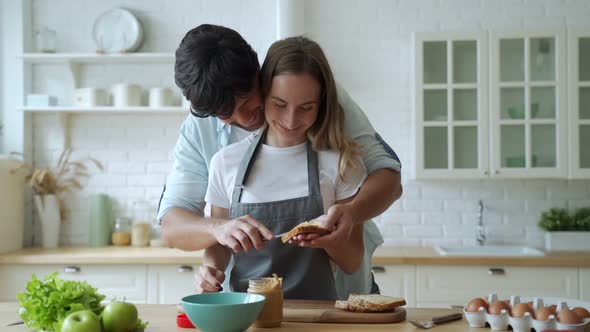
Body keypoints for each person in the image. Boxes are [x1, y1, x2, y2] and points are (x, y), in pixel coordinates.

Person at [158, 24, 402, 299]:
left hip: (343, 299)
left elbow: (389, 178)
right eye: (226, 113)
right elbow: (172, 227)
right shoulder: (214, 149)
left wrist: (352, 214)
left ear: (259, 75)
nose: (245, 118)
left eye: (249, 100)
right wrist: (220, 230)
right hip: (248, 307)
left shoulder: (316, 99)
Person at [202, 36, 367, 300]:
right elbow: (219, 247)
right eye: (279, 104)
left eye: (306, 107)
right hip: (246, 317)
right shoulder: (225, 162)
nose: (291, 121)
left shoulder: (341, 162)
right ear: (262, 94)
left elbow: (352, 261)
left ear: (321, 103)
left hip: (316, 319)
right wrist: (210, 270)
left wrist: (331, 241)